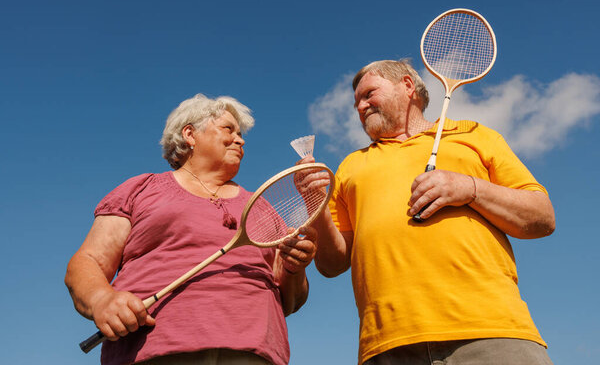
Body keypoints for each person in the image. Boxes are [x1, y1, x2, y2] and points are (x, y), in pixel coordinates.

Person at [303, 60, 556, 364]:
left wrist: (470, 188)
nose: (360, 106)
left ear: (407, 86)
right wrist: (315, 203)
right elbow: (331, 264)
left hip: (492, 330)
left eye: (369, 93)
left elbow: (542, 217)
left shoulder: (475, 135)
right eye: (356, 101)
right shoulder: (349, 167)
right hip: (387, 344)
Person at [65, 94, 317, 365]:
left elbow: (291, 299)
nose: (240, 140)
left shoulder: (262, 205)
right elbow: (87, 261)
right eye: (228, 129)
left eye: (241, 133)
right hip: (153, 349)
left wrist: (295, 267)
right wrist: (102, 300)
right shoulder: (140, 189)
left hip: (254, 352)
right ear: (190, 134)